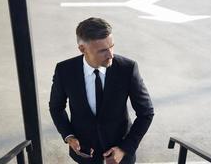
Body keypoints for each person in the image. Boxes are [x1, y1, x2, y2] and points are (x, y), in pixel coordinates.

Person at [49, 17, 154, 164]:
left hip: (121, 156)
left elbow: (146, 113)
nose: (110, 54)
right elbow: (56, 107)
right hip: (85, 155)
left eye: (112, 46)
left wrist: (124, 148)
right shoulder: (64, 71)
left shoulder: (127, 69)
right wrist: (69, 136)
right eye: (103, 50)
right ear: (82, 49)